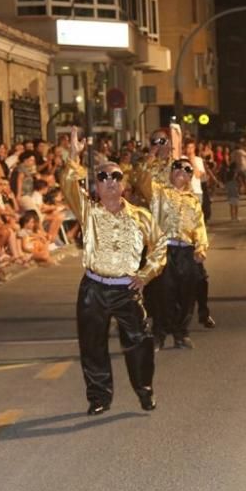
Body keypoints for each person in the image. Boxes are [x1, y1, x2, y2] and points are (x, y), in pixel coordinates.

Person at [61, 127, 167, 416]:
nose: (109, 182)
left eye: (115, 177)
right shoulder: (89, 213)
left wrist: (145, 275)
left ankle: (144, 390)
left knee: (139, 342)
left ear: (124, 184)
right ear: (95, 185)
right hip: (93, 288)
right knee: (92, 344)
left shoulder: (141, 216)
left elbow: (159, 247)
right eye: (103, 177)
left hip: (126, 289)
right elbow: (69, 183)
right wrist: (74, 155)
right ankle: (99, 397)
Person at [135, 127, 211, 349]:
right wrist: (152, 154)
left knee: (191, 288)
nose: (181, 171)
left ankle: (183, 331)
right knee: (162, 291)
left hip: (186, 250)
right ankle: (159, 331)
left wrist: (201, 248)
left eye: (186, 170)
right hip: (162, 246)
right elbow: (140, 180)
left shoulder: (193, 200)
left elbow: (199, 226)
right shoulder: (159, 192)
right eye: (177, 168)